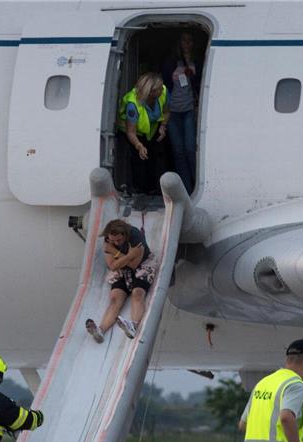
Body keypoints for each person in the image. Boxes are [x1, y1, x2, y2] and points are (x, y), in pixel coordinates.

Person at [85, 218, 156, 343]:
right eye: (113, 241)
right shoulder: (109, 240)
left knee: (137, 293)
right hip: (122, 270)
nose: (116, 243)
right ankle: (101, 330)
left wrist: (115, 253)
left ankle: (133, 325)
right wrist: (128, 255)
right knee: (115, 299)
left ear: (125, 235)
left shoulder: (135, 237)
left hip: (143, 265)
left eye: (119, 240)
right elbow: (112, 266)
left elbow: (135, 264)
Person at [161, 30, 202, 193]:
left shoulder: (196, 61)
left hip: (188, 110)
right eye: (184, 40)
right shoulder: (171, 62)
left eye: (190, 40)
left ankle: (197, 182)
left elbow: (199, 85)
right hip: (172, 112)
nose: (188, 44)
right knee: (178, 151)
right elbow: (163, 87)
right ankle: (187, 187)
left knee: (190, 149)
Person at [118, 71, 169, 195]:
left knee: (154, 160)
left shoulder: (163, 91)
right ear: (151, 92)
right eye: (159, 89)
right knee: (138, 162)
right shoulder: (133, 104)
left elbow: (167, 111)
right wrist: (139, 146)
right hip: (133, 134)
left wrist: (163, 127)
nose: (162, 89)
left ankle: (153, 190)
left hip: (151, 131)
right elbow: (131, 132)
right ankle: (138, 192)